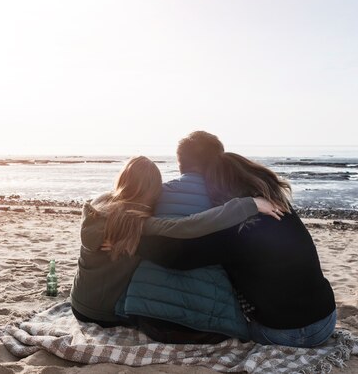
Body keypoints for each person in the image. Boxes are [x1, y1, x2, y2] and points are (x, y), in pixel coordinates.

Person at [136, 147, 337, 348]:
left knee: (230, 322)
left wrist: (135, 242)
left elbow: (180, 258)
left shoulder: (232, 230)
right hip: (326, 320)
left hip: (284, 334)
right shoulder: (279, 206)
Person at [70, 155, 287, 328]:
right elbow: (186, 226)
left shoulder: (97, 204)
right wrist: (247, 205)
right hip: (103, 315)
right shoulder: (135, 223)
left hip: (77, 303)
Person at [120, 132, 257, 342]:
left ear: (179, 162)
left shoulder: (155, 194)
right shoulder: (226, 202)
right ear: (217, 162)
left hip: (146, 318)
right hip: (204, 327)